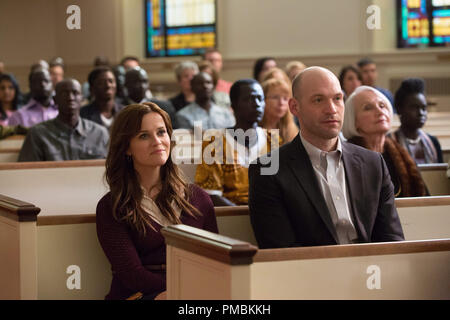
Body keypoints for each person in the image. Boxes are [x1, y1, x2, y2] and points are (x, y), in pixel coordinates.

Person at [248, 67, 404, 249]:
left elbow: (392, 241)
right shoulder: (267, 168)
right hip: (308, 274)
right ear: (294, 107)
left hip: (371, 272)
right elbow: (281, 250)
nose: (331, 109)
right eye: (318, 100)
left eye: (337, 99)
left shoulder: (373, 163)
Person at [96, 102, 218, 300]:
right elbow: (132, 275)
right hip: (138, 294)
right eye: (144, 136)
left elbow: (215, 261)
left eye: (161, 132)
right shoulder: (112, 206)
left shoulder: (199, 198)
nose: (157, 141)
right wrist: (185, 290)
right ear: (127, 147)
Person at [195, 79, 274, 206]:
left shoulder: (273, 140)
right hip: (232, 216)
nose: (257, 104)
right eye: (249, 99)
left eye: (260, 98)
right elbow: (210, 195)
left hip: (271, 213)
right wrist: (245, 215)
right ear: (234, 104)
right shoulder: (214, 143)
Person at [343, 85, 428, 197]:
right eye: (368, 107)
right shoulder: (346, 158)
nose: (379, 111)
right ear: (353, 120)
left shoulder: (400, 153)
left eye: (382, 105)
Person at [18, 79, 109, 162]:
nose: (70, 98)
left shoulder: (100, 133)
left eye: (75, 93)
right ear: (55, 100)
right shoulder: (38, 134)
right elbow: (27, 173)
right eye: (64, 94)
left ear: (82, 98)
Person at [390, 78, 443, 164]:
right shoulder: (389, 142)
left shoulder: (433, 141)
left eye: (424, 108)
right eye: (414, 107)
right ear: (399, 109)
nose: (421, 113)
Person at [261, 78, 298, 144]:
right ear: (263, 100)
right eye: (275, 97)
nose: (281, 103)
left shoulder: (292, 131)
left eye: (285, 98)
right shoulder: (254, 130)